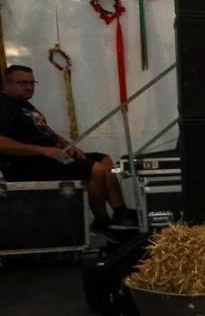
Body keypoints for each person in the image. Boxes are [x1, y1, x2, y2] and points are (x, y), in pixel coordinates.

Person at [0, 64, 135, 232]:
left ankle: (120, 214)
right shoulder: (4, 106)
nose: (29, 87)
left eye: (32, 83)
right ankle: (101, 221)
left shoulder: (26, 106)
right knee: (96, 170)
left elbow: (47, 133)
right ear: (6, 83)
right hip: (26, 165)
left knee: (105, 160)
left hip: (49, 158)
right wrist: (43, 150)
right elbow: (2, 143)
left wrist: (70, 146)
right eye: (22, 83)